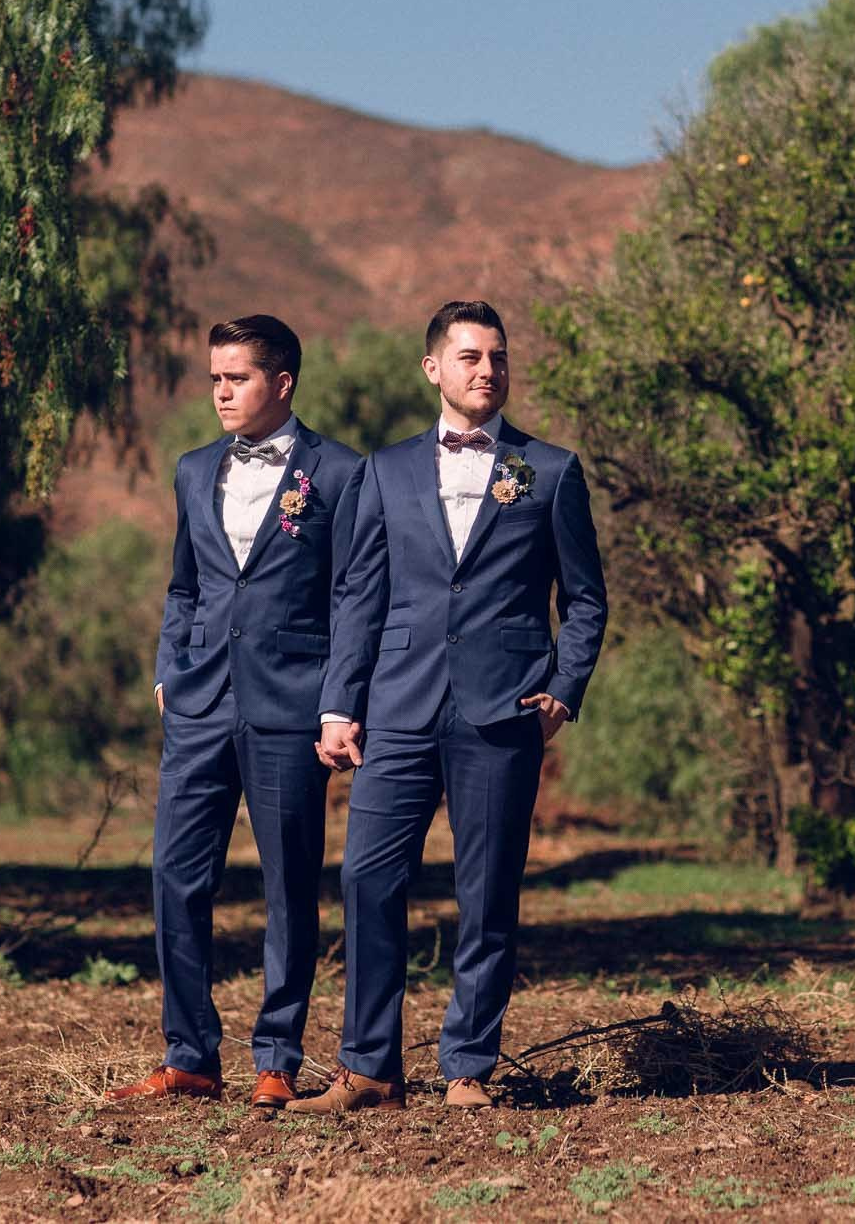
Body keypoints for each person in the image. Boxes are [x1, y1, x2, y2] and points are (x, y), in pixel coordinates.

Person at [289, 299, 606, 1113]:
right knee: (365, 878)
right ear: (434, 367)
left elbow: (585, 599)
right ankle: (369, 1068)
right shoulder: (383, 469)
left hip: (504, 712)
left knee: (488, 890)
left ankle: (468, 1065)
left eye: (497, 357)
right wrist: (338, 703)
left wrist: (563, 692)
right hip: (397, 705)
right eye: (469, 357)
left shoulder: (551, 469)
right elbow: (358, 592)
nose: (487, 370)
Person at [106, 315, 364, 1109]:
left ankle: (277, 1058)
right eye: (215, 376)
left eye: (237, 377)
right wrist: (167, 668)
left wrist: (338, 701)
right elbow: (184, 585)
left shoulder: (342, 473)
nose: (220, 391)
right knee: (177, 877)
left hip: (292, 704)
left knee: (289, 885)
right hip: (199, 703)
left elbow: (351, 596)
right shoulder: (192, 470)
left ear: (281, 383)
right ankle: (188, 1053)